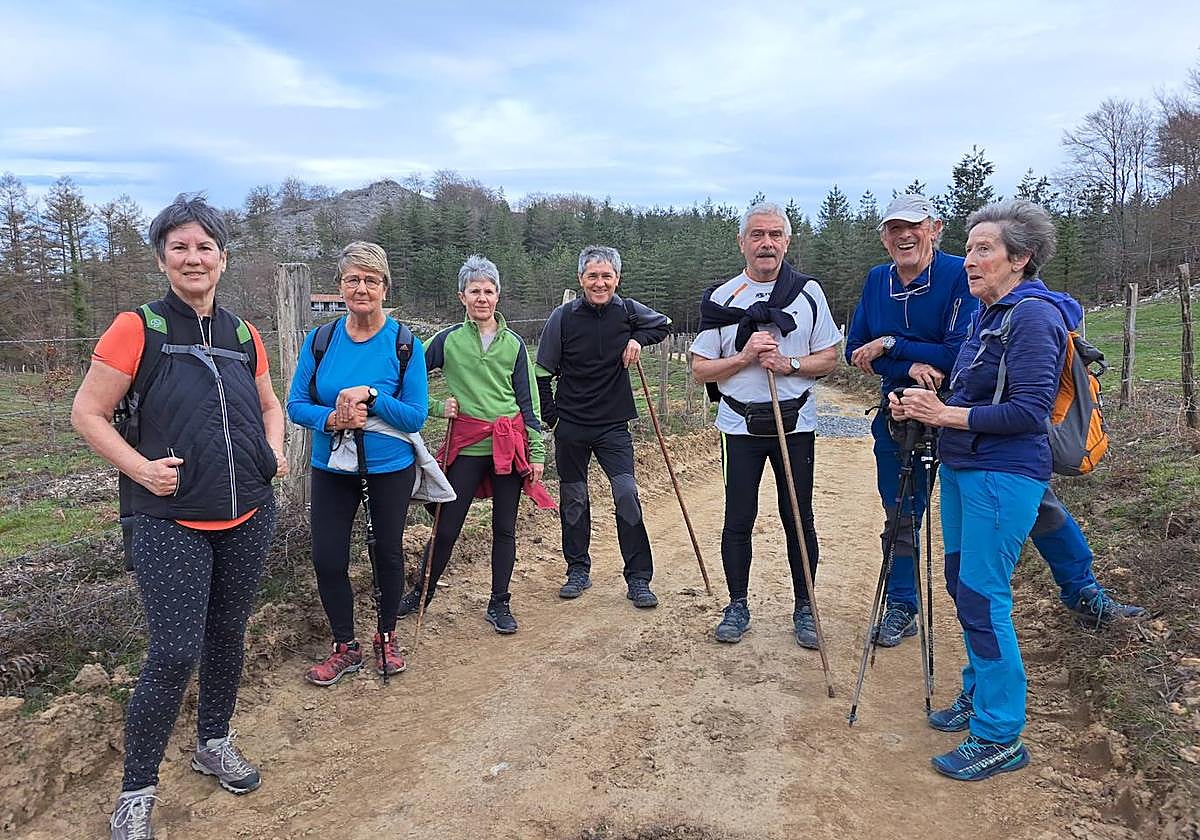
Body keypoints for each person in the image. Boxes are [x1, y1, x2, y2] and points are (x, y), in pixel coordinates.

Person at [71, 194, 285, 840]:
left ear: (223, 257)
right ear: (163, 257)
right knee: (171, 653)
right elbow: (86, 413)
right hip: (168, 520)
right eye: (180, 246)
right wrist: (140, 470)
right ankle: (137, 791)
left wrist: (273, 452)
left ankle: (213, 741)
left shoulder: (244, 334)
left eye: (205, 246)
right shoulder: (139, 328)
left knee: (228, 634)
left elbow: (271, 404)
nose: (194, 257)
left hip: (248, 513)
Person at [846, 194, 1144, 649]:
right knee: (901, 510)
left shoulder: (961, 274)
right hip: (904, 411)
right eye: (893, 227)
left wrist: (890, 344)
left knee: (1038, 504)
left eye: (914, 225)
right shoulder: (876, 281)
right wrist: (902, 364)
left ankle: (1084, 593)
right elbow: (855, 350)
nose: (904, 234)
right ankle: (903, 605)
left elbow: (955, 352)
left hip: (977, 416)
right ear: (884, 236)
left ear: (934, 227)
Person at [889, 198, 1075, 780]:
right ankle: (979, 694)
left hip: (1005, 473)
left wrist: (945, 417)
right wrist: (919, 408)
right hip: (967, 469)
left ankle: (999, 733)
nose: (969, 259)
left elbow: (1029, 411)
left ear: (1019, 258)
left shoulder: (1033, 317)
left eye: (984, 249)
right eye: (968, 248)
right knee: (961, 585)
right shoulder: (985, 316)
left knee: (983, 594)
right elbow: (968, 397)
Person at [690, 200, 841, 648]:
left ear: (787, 241)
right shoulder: (722, 299)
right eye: (757, 235)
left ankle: (806, 608)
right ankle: (736, 604)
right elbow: (700, 369)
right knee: (739, 517)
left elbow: (829, 357)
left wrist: (788, 361)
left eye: (775, 235)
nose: (766, 243)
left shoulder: (808, 293)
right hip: (739, 427)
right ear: (742, 243)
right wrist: (743, 357)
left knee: (798, 517)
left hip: (795, 424)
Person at [286, 242, 428, 686]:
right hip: (332, 466)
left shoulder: (406, 345)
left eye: (371, 280)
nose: (361, 288)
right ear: (340, 287)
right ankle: (344, 646)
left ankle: (387, 636)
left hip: (388, 467)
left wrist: (373, 397)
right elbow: (295, 405)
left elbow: (416, 415)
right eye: (353, 280)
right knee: (328, 558)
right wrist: (330, 417)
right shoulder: (321, 340)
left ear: (385, 287)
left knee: (385, 553)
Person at [396, 255, 554, 633]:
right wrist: (435, 406)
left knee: (504, 528)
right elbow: (407, 375)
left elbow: (528, 403)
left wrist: (536, 453)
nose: (482, 297)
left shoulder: (514, 345)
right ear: (461, 296)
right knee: (447, 528)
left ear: (498, 296)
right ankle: (422, 594)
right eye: (474, 291)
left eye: (488, 290)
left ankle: (500, 602)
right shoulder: (447, 340)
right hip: (466, 445)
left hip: (508, 447)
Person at [535, 245, 670, 608]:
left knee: (626, 494)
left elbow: (663, 324)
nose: (599, 282)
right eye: (592, 276)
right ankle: (577, 570)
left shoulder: (627, 311)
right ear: (581, 279)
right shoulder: (562, 317)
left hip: (613, 425)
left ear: (617, 279)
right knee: (574, 499)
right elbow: (542, 371)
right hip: (572, 425)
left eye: (606, 276)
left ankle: (639, 578)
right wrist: (553, 417)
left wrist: (636, 339)